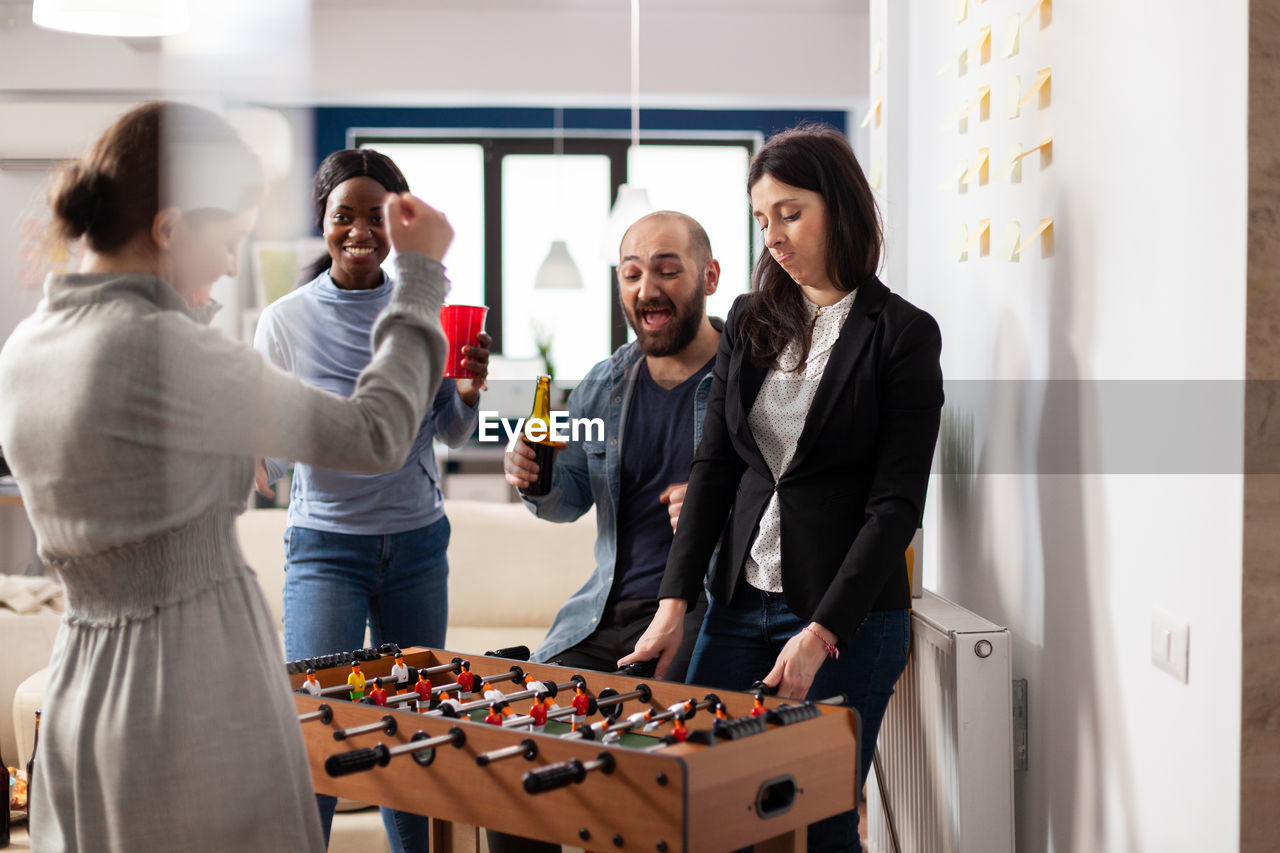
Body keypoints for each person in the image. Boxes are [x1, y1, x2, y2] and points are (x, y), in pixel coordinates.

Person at [0, 102, 453, 851]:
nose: (232, 265)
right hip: (194, 682)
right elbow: (375, 434)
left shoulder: (27, 348)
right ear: (170, 229)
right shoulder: (169, 350)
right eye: (229, 240)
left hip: (84, 683)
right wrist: (420, 281)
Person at [622, 125, 944, 853]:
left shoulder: (902, 334)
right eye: (762, 218)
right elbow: (716, 466)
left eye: (790, 213)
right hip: (737, 606)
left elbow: (895, 507)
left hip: (845, 624)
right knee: (700, 804)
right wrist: (674, 605)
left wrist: (821, 633)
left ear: (840, 206)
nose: (773, 234)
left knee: (822, 822)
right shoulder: (749, 318)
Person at [252, 147, 488, 853]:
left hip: (418, 545)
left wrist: (470, 392)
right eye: (342, 215)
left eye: (376, 216)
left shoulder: (426, 308)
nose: (359, 230)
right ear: (323, 223)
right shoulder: (285, 321)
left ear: (399, 225)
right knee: (319, 727)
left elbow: (448, 430)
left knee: (414, 733)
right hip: (325, 548)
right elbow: (268, 456)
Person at [503, 211, 723, 676]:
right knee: (530, 705)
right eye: (631, 273)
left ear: (709, 277)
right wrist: (534, 478)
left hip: (700, 609)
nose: (647, 289)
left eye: (667, 270)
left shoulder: (748, 377)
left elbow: (789, 496)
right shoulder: (601, 386)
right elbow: (570, 499)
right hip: (600, 614)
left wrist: (722, 506)